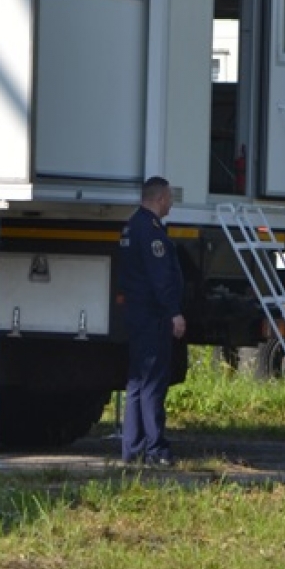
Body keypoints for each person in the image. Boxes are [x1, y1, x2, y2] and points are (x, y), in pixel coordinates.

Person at [117, 175, 186, 466]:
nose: (171, 202)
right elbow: (161, 279)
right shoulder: (152, 232)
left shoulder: (132, 225)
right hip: (153, 316)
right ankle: (155, 449)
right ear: (159, 199)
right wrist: (174, 312)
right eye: (169, 197)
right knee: (152, 383)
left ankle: (132, 449)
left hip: (136, 314)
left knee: (136, 382)